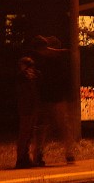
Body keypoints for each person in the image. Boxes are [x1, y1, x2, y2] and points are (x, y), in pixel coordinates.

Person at [30, 35, 76, 166]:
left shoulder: (44, 59)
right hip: (54, 97)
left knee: (43, 128)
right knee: (61, 127)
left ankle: (39, 155)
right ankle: (68, 153)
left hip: (50, 97)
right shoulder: (56, 59)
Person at [14, 56, 40, 169]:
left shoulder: (28, 76)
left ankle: (24, 158)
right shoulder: (24, 77)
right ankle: (21, 159)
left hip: (28, 108)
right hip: (27, 108)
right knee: (25, 134)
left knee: (28, 134)